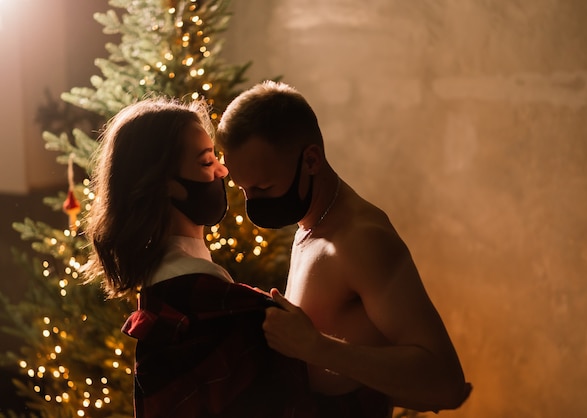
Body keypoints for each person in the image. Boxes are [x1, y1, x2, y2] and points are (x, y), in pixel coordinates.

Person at [216, 81, 472, 415]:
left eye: (263, 186)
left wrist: (318, 348)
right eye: (244, 189)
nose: (253, 203)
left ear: (311, 160)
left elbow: (446, 385)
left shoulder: (361, 239)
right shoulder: (311, 223)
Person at [82, 97, 325, 418]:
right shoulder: (231, 313)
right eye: (206, 162)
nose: (224, 170)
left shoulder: (160, 299)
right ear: (166, 185)